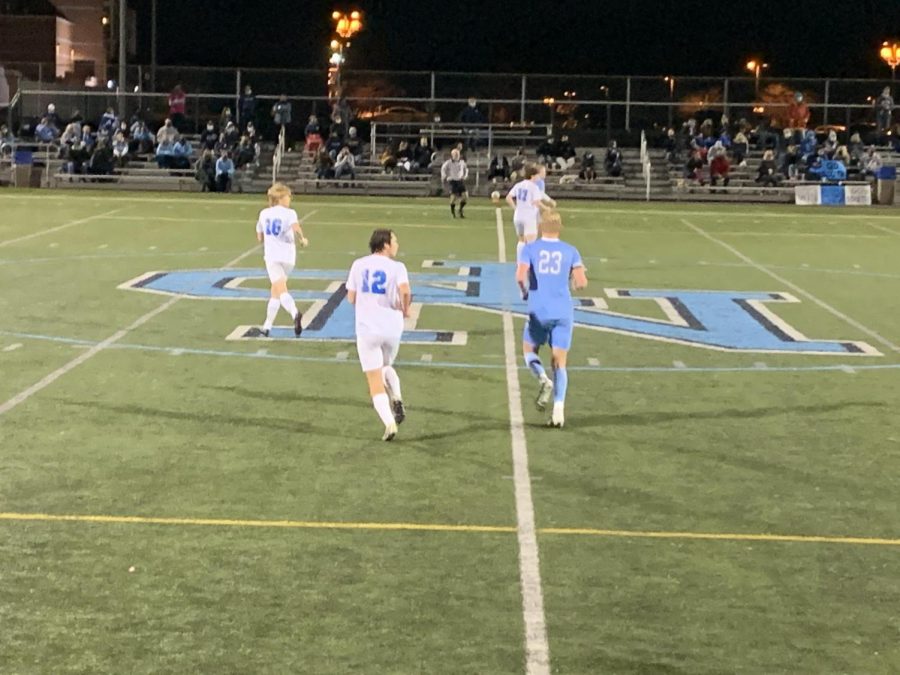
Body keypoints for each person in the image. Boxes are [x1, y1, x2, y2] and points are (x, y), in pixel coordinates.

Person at [516, 211, 588, 428]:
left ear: (540, 226)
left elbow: (520, 276)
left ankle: (542, 380)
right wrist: (573, 283)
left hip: (539, 310)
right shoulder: (570, 250)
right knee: (559, 362)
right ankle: (558, 411)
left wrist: (525, 292)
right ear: (559, 228)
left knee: (529, 351)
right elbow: (581, 282)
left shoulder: (530, 248)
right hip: (563, 311)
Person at [345, 229, 411, 441]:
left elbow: (351, 297)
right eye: (395, 240)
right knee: (386, 367)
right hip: (392, 327)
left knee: (374, 379)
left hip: (368, 329)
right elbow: (405, 290)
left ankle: (389, 423)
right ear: (384, 244)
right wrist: (406, 309)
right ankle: (397, 397)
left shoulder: (358, 264)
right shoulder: (398, 267)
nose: (397, 244)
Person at [255, 182, 308, 338]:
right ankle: (267, 326)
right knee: (276, 291)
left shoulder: (264, 213)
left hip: (272, 256)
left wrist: (267, 239)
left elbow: (259, 236)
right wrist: (302, 239)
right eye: (288, 196)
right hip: (289, 257)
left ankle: (295, 313)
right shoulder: (290, 213)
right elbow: (296, 228)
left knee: (281, 290)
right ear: (281, 197)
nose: (290, 199)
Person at [506, 164, 552, 260]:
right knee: (531, 241)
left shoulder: (518, 185)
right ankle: (529, 263)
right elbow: (536, 202)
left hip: (518, 216)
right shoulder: (533, 187)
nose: (538, 177)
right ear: (532, 176)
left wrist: (515, 208)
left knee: (521, 240)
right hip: (529, 217)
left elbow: (508, 198)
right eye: (536, 175)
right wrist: (546, 208)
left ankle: (520, 262)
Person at [440, 148, 469, 218]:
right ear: (452, 155)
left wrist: (465, 176)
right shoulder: (449, 162)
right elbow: (443, 169)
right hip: (453, 181)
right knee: (453, 199)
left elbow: (466, 169)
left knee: (465, 197)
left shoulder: (462, 162)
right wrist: (445, 176)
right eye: (455, 154)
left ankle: (460, 210)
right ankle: (453, 213)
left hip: (460, 181)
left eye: (457, 154)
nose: (456, 156)